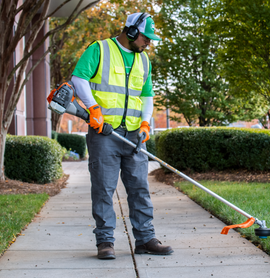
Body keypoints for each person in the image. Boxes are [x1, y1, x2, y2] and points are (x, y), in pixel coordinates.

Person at [71, 12, 173, 259]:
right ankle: (105, 241)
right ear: (130, 31)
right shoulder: (100, 49)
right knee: (104, 189)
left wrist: (146, 124)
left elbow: (146, 96)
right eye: (145, 37)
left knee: (140, 188)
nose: (148, 42)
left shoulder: (144, 60)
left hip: (134, 135)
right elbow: (78, 78)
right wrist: (93, 109)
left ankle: (145, 239)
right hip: (104, 133)